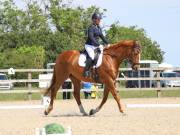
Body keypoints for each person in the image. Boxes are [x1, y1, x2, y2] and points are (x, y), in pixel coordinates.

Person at [83, 12, 109, 77]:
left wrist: (107, 43)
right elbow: (91, 37)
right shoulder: (90, 28)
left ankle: (97, 71)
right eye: (98, 19)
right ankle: (86, 71)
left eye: (100, 19)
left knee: (101, 56)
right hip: (89, 46)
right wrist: (98, 44)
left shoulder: (98, 28)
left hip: (95, 46)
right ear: (94, 20)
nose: (99, 21)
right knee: (92, 56)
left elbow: (102, 36)